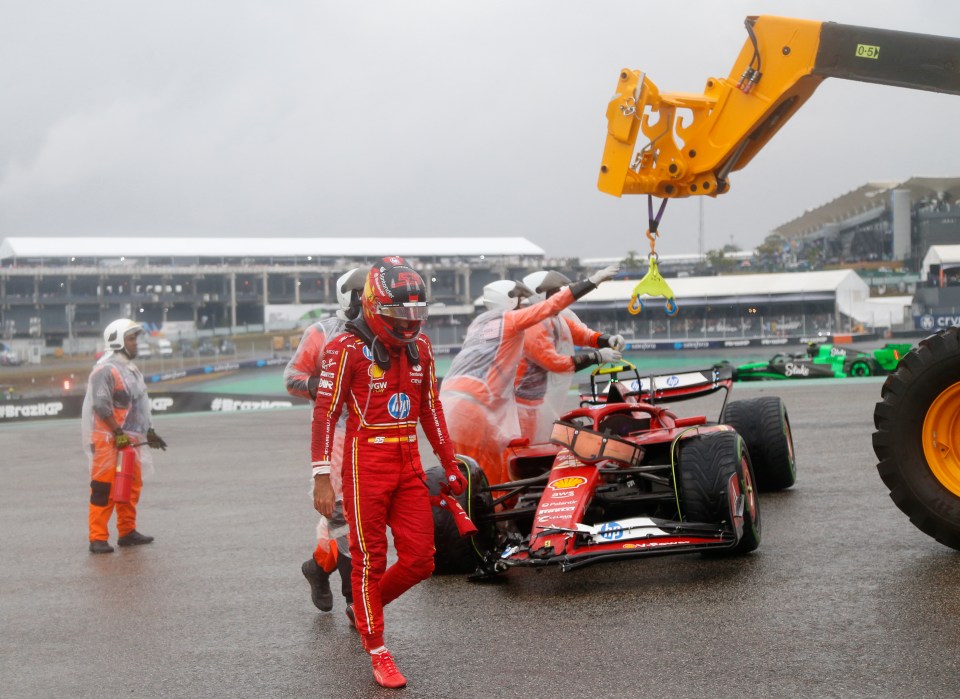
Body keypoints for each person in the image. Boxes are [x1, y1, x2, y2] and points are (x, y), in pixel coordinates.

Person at [311, 256, 466, 689]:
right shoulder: (345, 347)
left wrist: (450, 463)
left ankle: (363, 608)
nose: (410, 320)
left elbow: (431, 408)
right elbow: (325, 414)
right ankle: (377, 647)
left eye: (417, 311)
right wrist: (321, 476)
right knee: (369, 561)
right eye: (400, 312)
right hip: (365, 466)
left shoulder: (423, 348)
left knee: (421, 561)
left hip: (409, 463)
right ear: (375, 305)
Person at [439, 264, 619, 486]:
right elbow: (553, 355)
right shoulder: (513, 321)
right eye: (520, 301)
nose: (526, 304)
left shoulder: (480, 324)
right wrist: (593, 282)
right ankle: (501, 517)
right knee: (497, 476)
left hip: (450, 405)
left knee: (466, 474)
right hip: (486, 408)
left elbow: (572, 328)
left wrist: (603, 339)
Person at [284, 267, 366, 613]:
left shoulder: (388, 331)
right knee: (343, 515)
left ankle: (317, 568)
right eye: (363, 293)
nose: (371, 299)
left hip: (377, 435)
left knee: (364, 514)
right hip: (338, 434)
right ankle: (354, 599)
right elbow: (292, 378)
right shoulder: (321, 333)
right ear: (348, 295)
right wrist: (322, 387)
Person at [82, 319, 167, 554]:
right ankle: (97, 537)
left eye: (135, 338)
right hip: (108, 438)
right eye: (131, 338)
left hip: (129, 439)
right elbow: (101, 405)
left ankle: (127, 531)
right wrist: (117, 433)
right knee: (103, 488)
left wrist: (149, 432)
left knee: (131, 486)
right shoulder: (105, 370)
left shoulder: (129, 369)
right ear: (117, 340)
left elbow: (139, 404)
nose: (135, 343)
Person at [515, 269, 626, 442]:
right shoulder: (531, 326)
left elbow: (584, 335)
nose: (560, 296)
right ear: (539, 296)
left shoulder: (556, 319)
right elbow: (555, 364)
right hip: (522, 405)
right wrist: (596, 357)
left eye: (560, 292)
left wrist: (608, 339)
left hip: (539, 402)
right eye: (554, 293)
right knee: (533, 447)